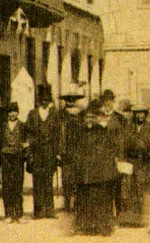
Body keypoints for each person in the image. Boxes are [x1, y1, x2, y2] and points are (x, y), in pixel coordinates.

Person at [74, 98, 121, 236]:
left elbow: (112, 147)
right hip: (88, 172)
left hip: (102, 172)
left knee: (103, 199)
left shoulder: (105, 128)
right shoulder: (83, 130)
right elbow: (79, 150)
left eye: (94, 115)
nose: (91, 119)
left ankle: (103, 226)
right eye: (89, 116)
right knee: (89, 199)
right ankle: (89, 226)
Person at [120, 102, 150, 227]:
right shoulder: (128, 128)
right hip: (131, 162)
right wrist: (123, 160)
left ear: (145, 114)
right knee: (129, 191)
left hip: (145, 163)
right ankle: (131, 219)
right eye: (137, 113)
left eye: (142, 113)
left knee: (142, 190)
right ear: (134, 114)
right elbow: (122, 145)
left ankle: (143, 219)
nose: (140, 116)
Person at [25, 84, 60, 219]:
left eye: (47, 99)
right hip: (37, 151)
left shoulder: (53, 115)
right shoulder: (33, 114)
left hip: (50, 151)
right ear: (39, 100)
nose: (45, 102)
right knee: (37, 180)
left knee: (48, 181)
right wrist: (29, 152)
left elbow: (57, 134)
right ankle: (38, 210)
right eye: (42, 99)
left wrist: (57, 152)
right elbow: (28, 134)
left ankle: (49, 209)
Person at [57, 83, 86, 211]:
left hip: (79, 150)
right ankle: (67, 203)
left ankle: (78, 202)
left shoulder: (82, 114)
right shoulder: (60, 115)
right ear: (65, 100)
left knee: (79, 177)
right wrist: (58, 151)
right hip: (66, 150)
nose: (71, 101)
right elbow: (57, 133)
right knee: (67, 178)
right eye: (69, 99)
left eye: (73, 99)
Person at [0, 102, 28, 223]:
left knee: (17, 185)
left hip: (18, 157)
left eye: (14, 111)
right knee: (7, 185)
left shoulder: (22, 126)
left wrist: (25, 147)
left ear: (18, 112)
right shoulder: (3, 126)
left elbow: (27, 140)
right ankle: (9, 213)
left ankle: (18, 213)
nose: (12, 114)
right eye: (10, 111)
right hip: (6, 157)